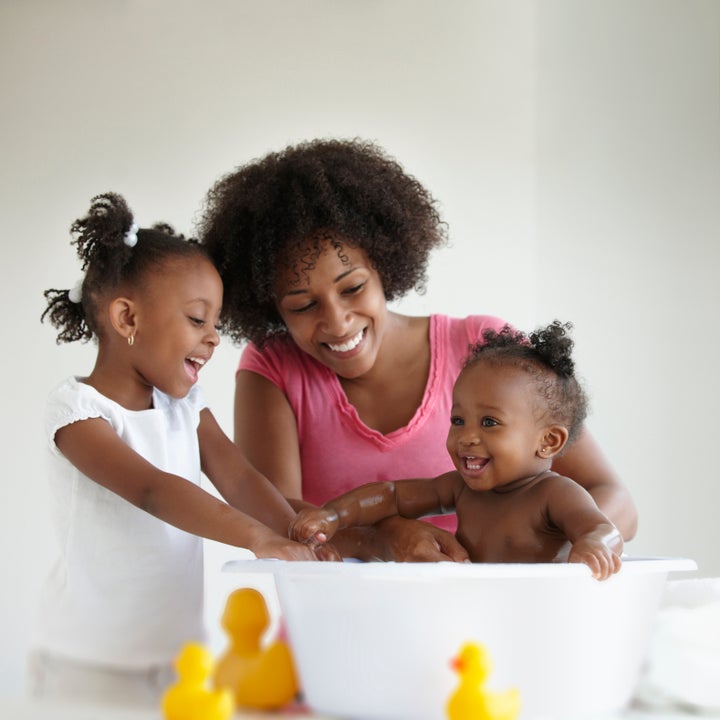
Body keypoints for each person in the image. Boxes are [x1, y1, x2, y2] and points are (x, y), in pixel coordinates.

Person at [198, 138, 638, 562]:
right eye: (303, 305)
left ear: (384, 264)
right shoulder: (273, 368)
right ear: (270, 307)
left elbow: (614, 500)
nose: (337, 321)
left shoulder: (484, 353)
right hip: (336, 616)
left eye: (353, 287)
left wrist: (553, 541)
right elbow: (273, 514)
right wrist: (381, 536)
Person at [32, 193, 329, 707]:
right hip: (87, 664)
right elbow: (151, 489)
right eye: (197, 320)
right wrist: (258, 538)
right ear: (127, 319)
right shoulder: (77, 410)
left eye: (215, 323)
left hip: (178, 658)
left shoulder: (185, 405)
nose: (214, 338)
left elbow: (237, 476)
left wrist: (292, 530)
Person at [289, 321, 624, 580]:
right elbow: (390, 495)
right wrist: (333, 516)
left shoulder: (556, 494)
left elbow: (602, 529)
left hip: (535, 615)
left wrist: (594, 545)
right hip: (470, 613)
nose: (467, 437)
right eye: (459, 419)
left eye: (490, 423)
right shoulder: (459, 488)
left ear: (548, 441)